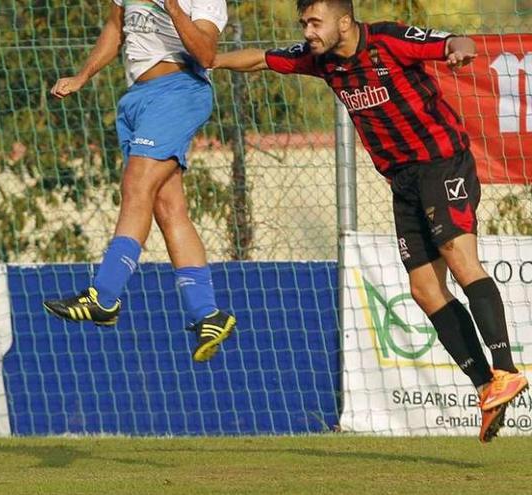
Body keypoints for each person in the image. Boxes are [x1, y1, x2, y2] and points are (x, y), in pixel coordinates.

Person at [213, 0, 528, 442]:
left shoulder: (388, 40)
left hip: (442, 162)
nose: (307, 30)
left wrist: (461, 47)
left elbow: (453, 42)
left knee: (458, 254)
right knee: (424, 290)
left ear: (345, 22)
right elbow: (262, 59)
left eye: (314, 21)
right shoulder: (320, 60)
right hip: (402, 179)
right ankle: (486, 387)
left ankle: (506, 369)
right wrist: (210, 59)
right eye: (303, 22)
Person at [43, 0, 237, 362]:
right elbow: (115, 29)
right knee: (168, 207)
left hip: (180, 91)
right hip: (136, 100)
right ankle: (207, 313)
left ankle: (104, 295)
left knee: (136, 186)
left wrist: (173, 8)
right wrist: (83, 76)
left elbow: (207, 54)